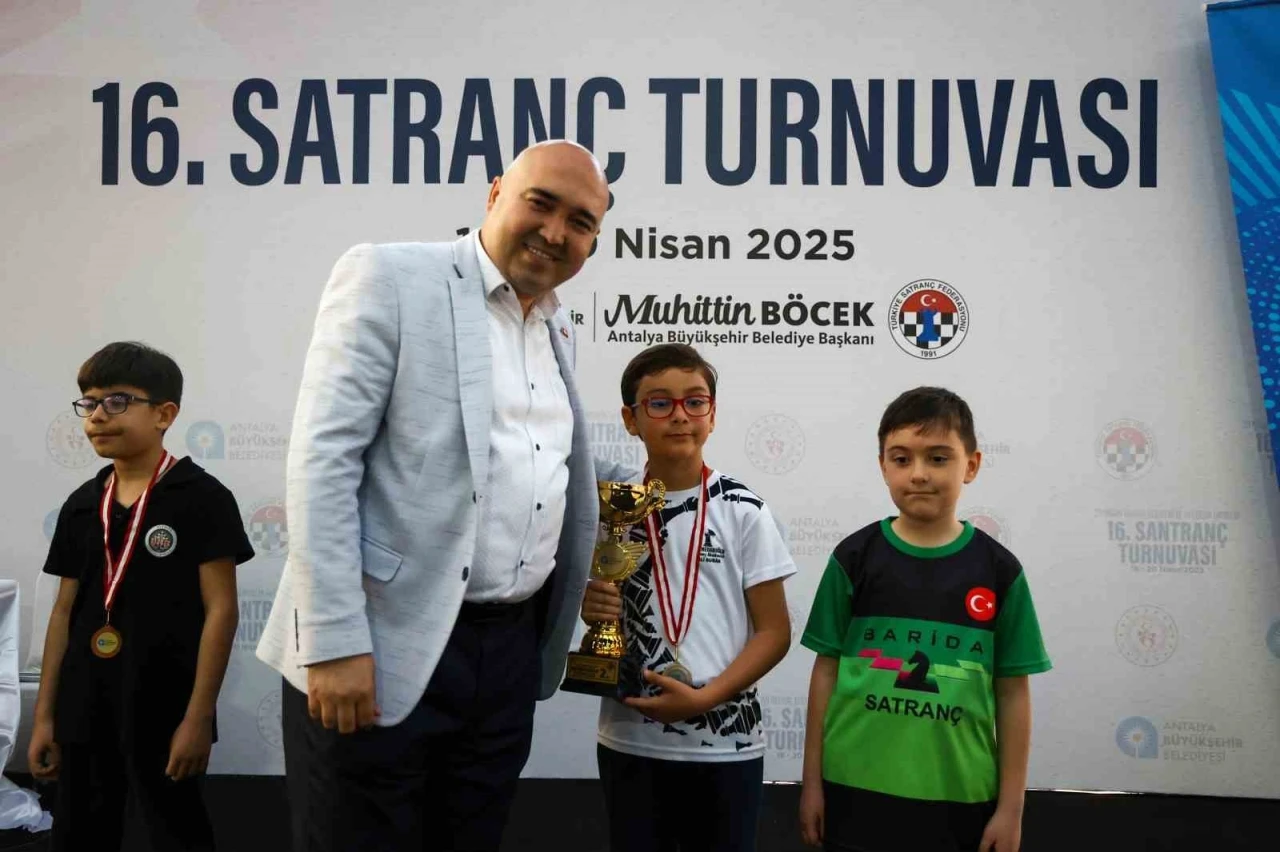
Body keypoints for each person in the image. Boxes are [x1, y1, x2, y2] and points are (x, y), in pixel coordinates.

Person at [254, 139, 612, 851]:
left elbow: (530, 462)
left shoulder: (557, 324)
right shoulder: (389, 276)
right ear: (494, 194)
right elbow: (324, 462)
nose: (555, 232)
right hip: (378, 641)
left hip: (506, 656)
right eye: (540, 204)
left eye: (580, 222)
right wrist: (334, 640)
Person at [798, 387, 1052, 852]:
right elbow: (826, 671)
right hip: (852, 790)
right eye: (901, 459)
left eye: (938, 458)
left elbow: (1013, 692)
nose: (918, 474)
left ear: (971, 465)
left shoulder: (999, 572)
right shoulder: (853, 558)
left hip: (960, 798)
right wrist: (811, 783)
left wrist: (1011, 808)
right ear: (883, 466)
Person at [27, 341, 253, 851]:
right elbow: (63, 613)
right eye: (89, 402)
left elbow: (221, 611)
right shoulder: (82, 504)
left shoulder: (203, 497)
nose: (97, 416)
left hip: (164, 707)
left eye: (117, 401)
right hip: (84, 706)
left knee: (174, 830)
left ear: (164, 414)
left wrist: (198, 718)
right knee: (80, 832)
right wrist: (45, 717)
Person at [580, 343, 796, 852]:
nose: (679, 415)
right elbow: (597, 606)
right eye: (659, 403)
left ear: (712, 415)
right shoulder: (612, 508)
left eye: (694, 402)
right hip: (629, 738)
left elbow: (774, 632)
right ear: (630, 419)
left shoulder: (743, 509)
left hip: (726, 744)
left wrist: (706, 698)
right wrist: (592, 610)